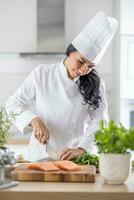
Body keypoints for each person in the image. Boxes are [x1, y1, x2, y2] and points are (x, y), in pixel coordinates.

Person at [6, 11, 118, 162]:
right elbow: (12, 105)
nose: (84, 69)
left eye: (90, 66)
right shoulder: (42, 74)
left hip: (72, 159)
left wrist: (82, 149)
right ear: (70, 52)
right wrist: (34, 120)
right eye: (81, 61)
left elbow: (100, 122)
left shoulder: (96, 85)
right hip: (39, 157)